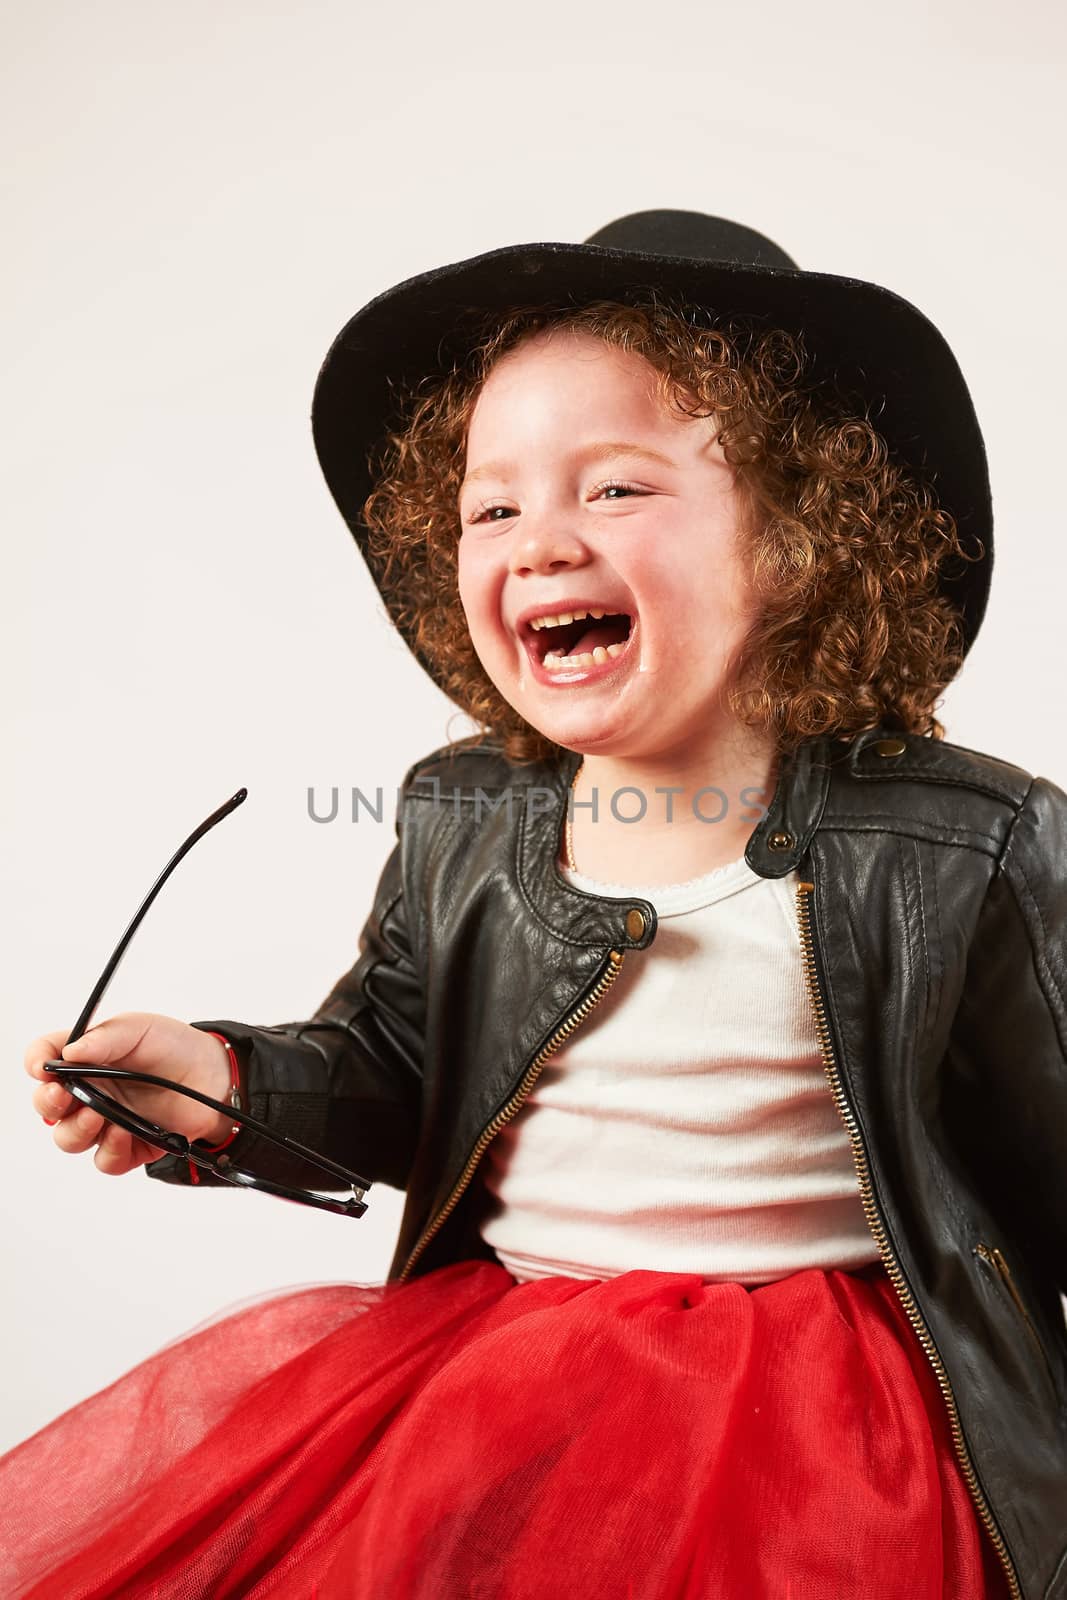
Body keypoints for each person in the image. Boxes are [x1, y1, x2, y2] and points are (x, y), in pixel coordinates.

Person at [8, 210, 1065, 1599]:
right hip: (506, 1380)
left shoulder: (962, 841)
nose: (541, 539)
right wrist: (221, 1080)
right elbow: (394, 1065)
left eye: (614, 490)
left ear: (801, 539)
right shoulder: (467, 814)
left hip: (834, 1432)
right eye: (491, 505)